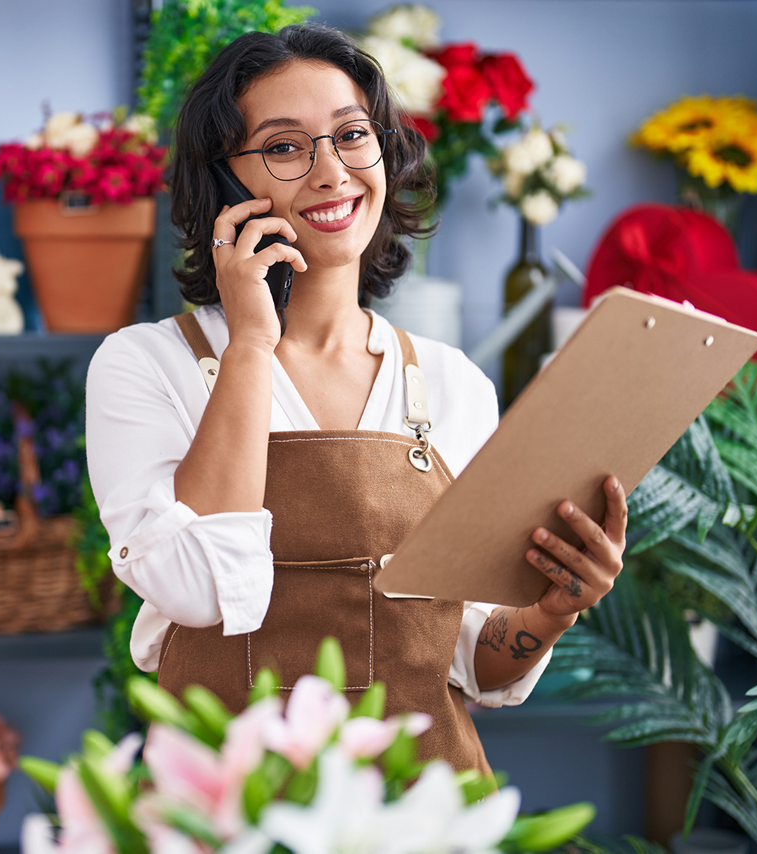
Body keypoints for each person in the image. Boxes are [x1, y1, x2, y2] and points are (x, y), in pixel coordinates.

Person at [84, 23, 627, 774]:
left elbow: (471, 660)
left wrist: (552, 610)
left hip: (422, 803)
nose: (332, 171)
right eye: (283, 146)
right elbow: (198, 589)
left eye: (350, 134)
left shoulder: (451, 384)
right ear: (226, 182)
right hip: (223, 807)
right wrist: (248, 344)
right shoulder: (148, 365)